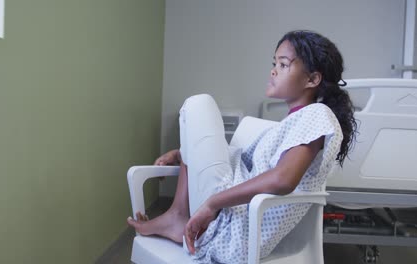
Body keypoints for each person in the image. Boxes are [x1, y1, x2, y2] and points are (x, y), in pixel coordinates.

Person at [127, 30, 357, 263]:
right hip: (228, 216)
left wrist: (212, 203)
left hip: (235, 231)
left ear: (312, 79)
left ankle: (178, 215)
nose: (273, 70)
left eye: (284, 64)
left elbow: (283, 179)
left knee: (198, 104)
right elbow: (236, 160)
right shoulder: (287, 126)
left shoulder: (318, 115)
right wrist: (184, 153)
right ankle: (177, 215)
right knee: (195, 110)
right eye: (274, 63)